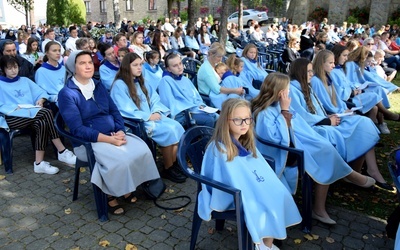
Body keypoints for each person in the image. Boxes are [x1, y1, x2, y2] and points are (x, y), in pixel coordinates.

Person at [252, 73, 375, 225]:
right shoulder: (265, 112)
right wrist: (285, 112)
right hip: (283, 153)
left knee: (325, 148)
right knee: (324, 153)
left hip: (294, 144)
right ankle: (329, 198)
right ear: (279, 92)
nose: (289, 93)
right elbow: (276, 139)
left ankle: (332, 193)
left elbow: (299, 125)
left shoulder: (278, 106)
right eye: (287, 90)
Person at [58, 50, 160, 215]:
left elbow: (114, 111)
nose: (88, 66)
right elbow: (77, 129)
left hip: (112, 134)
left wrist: (119, 130)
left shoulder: (97, 85)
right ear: (73, 67)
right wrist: (109, 140)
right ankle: (109, 194)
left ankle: (127, 186)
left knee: (142, 150)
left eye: (90, 62)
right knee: (120, 160)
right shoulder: (67, 94)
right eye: (82, 63)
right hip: (88, 142)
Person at [198, 98, 302, 250]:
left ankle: (267, 241)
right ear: (226, 121)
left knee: (278, 193)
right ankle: (263, 245)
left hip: (247, 186)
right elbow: (226, 178)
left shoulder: (243, 141)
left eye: (247, 119)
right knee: (264, 202)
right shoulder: (219, 149)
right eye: (238, 120)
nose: (244, 124)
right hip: (228, 194)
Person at [310, 52, 394, 190]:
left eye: (333, 62)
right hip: (331, 117)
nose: (333, 65)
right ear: (321, 63)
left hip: (340, 112)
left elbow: (336, 99)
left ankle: (362, 170)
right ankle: (364, 171)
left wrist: (344, 109)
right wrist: (341, 111)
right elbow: (323, 105)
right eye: (330, 63)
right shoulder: (317, 81)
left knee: (364, 124)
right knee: (363, 124)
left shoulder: (328, 77)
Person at [110, 52, 186, 183]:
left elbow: (155, 99)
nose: (139, 68)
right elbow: (125, 109)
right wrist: (148, 116)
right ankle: (167, 168)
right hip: (138, 122)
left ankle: (173, 164)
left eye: (140, 64)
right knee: (168, 131)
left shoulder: (141, 82)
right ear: (127, 67)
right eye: (135, 65)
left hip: (152, 116)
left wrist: (156, 111)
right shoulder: (119, 85)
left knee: (176, 126)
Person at [0, 55, 76, 175]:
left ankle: (39, 163)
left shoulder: (25, 80)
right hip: (9, 118)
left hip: (30, 113)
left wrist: (41, 99)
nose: (13, 70)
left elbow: (40, 92)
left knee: (41, 122)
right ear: (3, 70)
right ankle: (62, 151)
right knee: (46, 112)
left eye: (15, 67)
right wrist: (13, 109)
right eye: (9, 68)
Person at [331, 45, 399, 134]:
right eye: (344, 55)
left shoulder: (339, 69)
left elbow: (348, 83)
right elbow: (339, 92)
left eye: (347, 55)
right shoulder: (335, 71)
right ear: (337, 55)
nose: (346, 58)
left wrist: (355, 88)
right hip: (346, 100)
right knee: (373, 95)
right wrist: (352, 91)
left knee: (374, 106)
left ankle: (373, 133)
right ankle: (387, 114)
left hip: (352, 93)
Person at [158, 53, 218, 127]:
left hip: (195, 109)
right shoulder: (165, 81)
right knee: (209, 120)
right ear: (168, 69)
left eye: (180, 63)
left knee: (218, 117)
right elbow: (170, 104)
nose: (179, 67)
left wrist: (200, 105)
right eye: (175, 66)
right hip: (182, 114)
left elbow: (196, 97)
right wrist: (190, 108)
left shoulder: (185, 79)